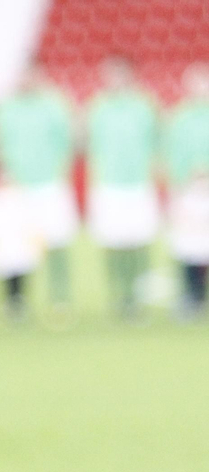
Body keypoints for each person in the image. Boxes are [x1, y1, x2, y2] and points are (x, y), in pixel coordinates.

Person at [0, 65, 79, 315]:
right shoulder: (5, 108)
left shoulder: (55, 105)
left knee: (56, 241)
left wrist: (60, 170)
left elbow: (67, 141)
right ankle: (17, 298)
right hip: (17, 186)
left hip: (49, 183)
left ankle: (59, 296)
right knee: (16, 245)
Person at [86, 56, 161, 319]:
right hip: (109, 183)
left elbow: (156, 142)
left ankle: (138, 296)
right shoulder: (98, 107)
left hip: (138, 182)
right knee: (112, 241)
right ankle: (118, 294)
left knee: (139, 240)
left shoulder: (145, 106)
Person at [164, 64, 209, 318]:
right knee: (188, 244)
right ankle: (193, 295)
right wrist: (183, 179)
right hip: (188, 190)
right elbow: (173, 153)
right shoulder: (180, 118)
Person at [0, 181, 44, 321]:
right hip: (3, 247)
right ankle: (11, 303)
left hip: (18, 247)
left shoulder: (19, 198)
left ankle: (17, 302)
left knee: (19, 276)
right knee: (7, 276)